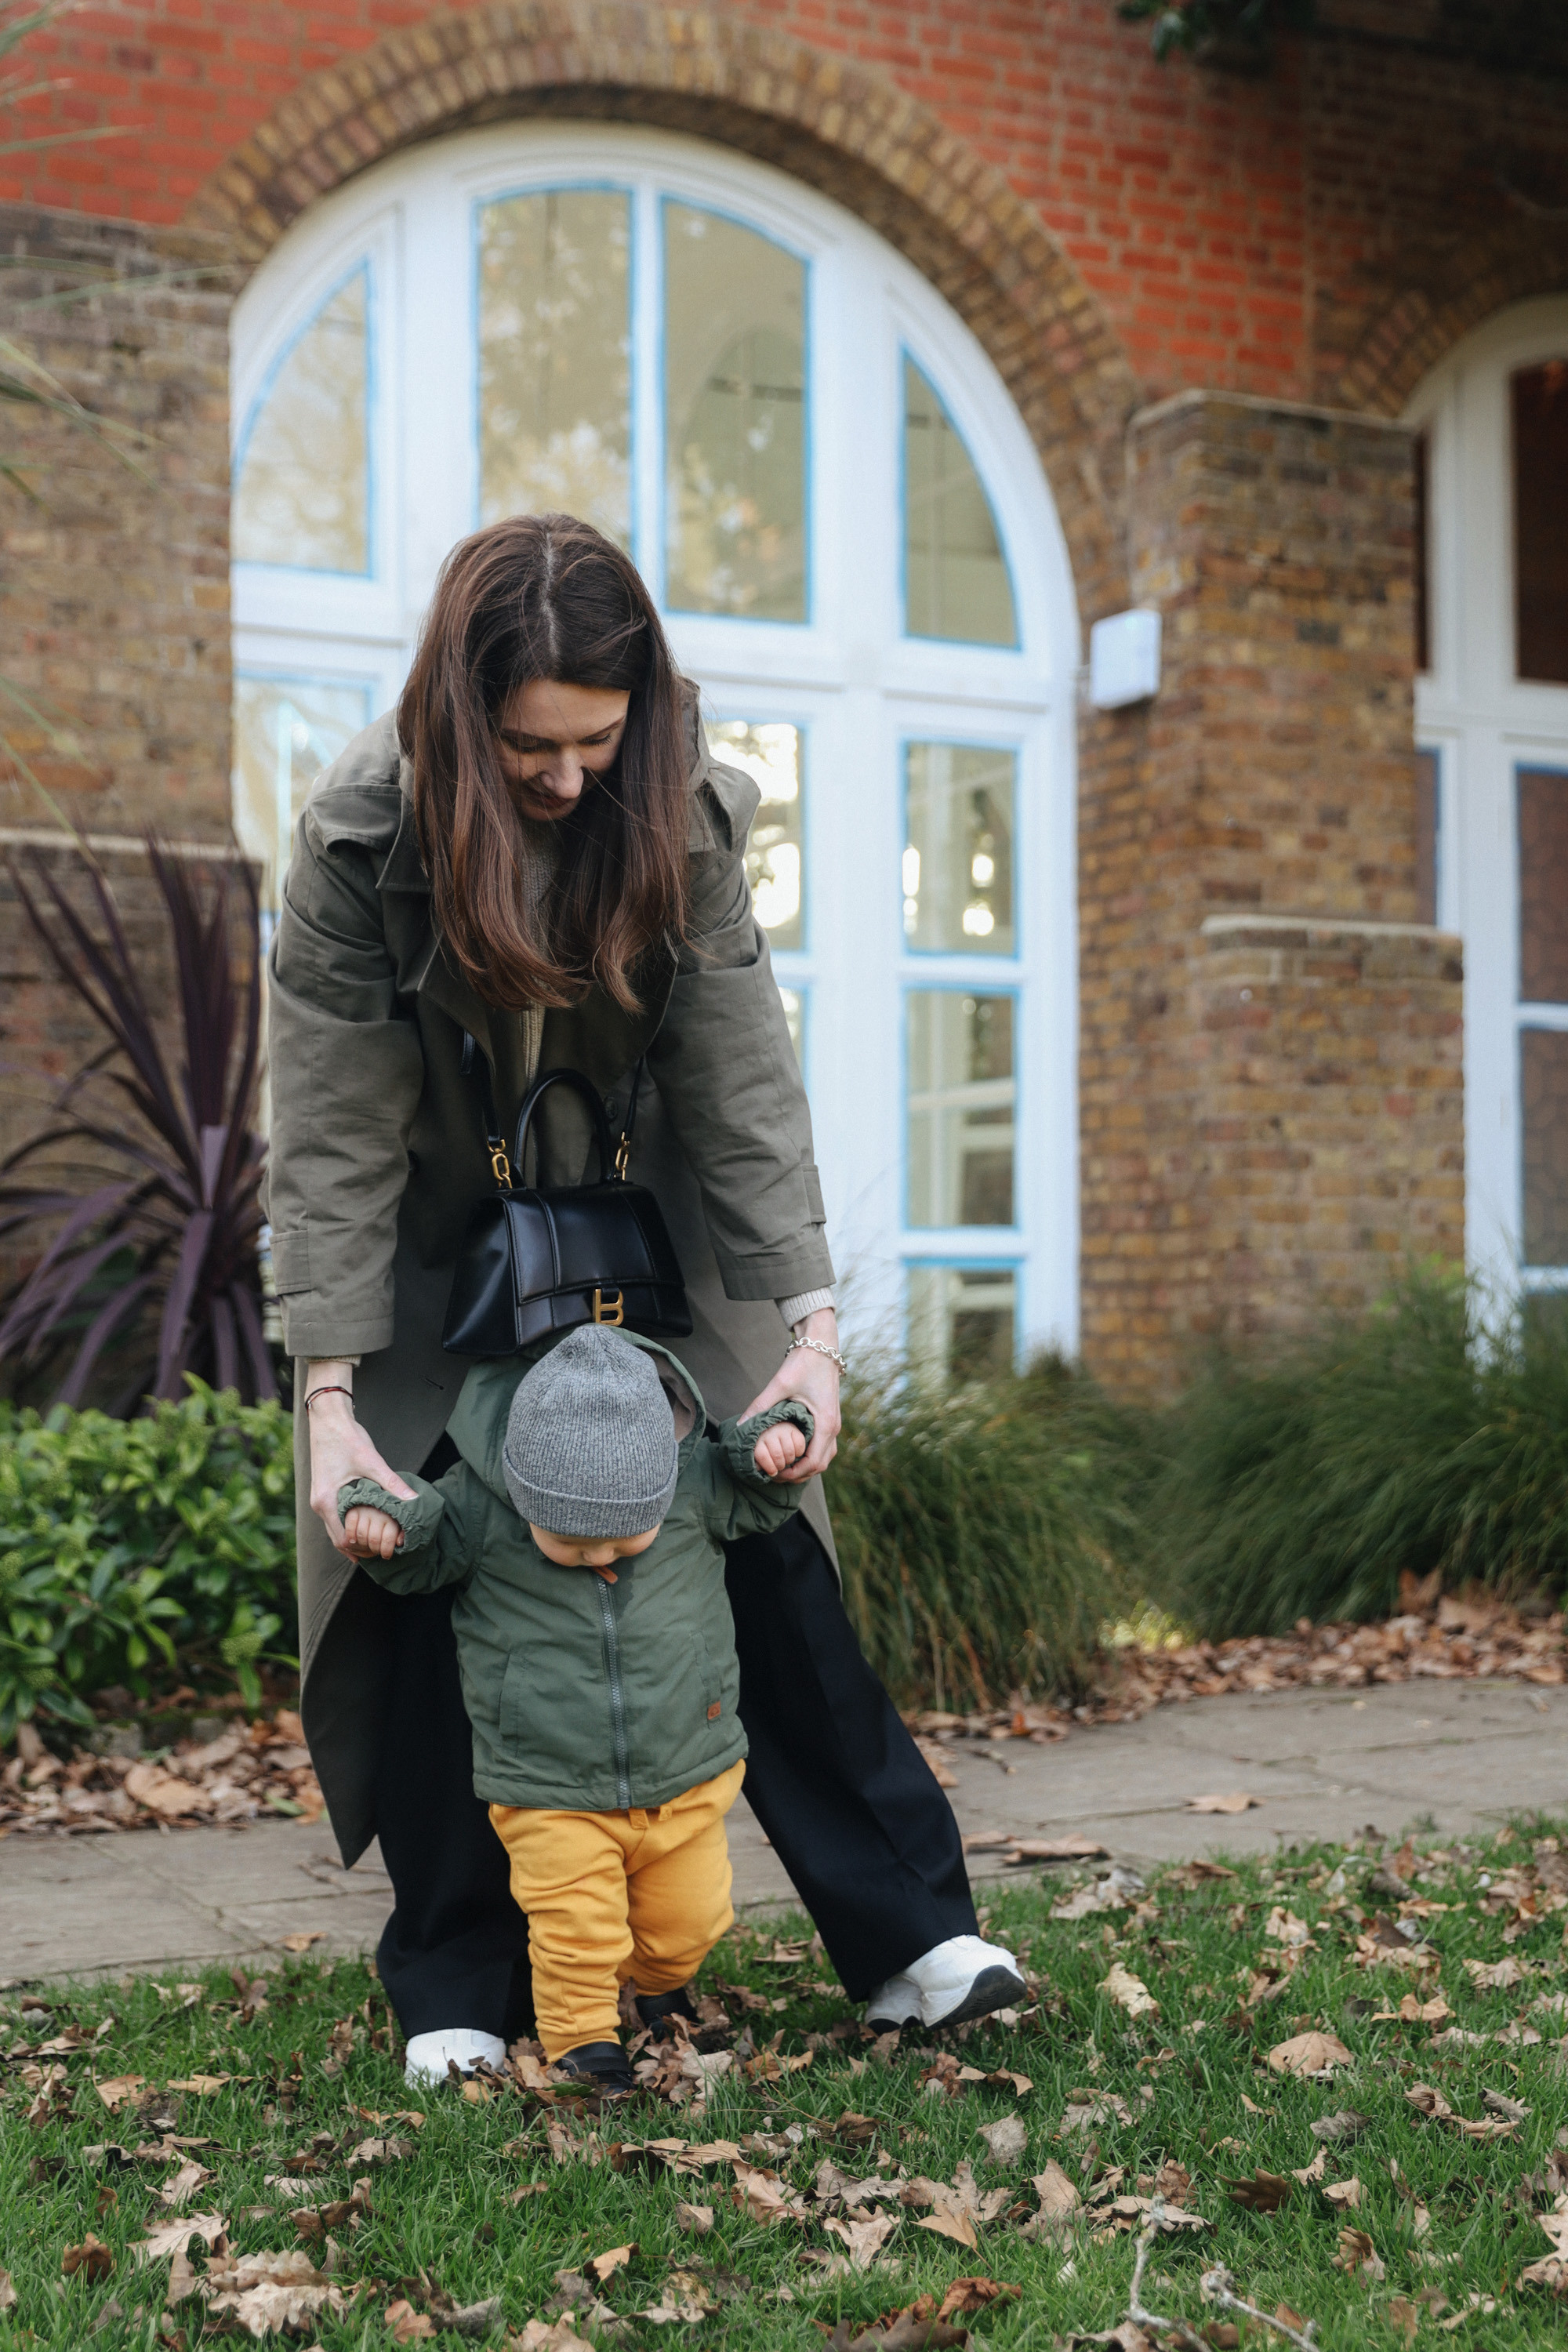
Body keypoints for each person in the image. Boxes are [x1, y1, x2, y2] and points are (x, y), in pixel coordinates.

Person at [266, 510, 1023, 2088]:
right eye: (529, 745)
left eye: (592, 741)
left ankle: (908, 1944)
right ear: (458, 719)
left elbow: (745, 1084)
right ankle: (463, 1988)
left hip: (652, 1228)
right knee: (418, 1563)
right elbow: (330, 1129)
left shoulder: (676, 815)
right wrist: (333, 1403)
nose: (561, 777)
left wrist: (809, 1338)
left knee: (766, 1558)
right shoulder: (355, 844)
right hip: (436, 1248)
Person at [337, 1323, 812, 2093]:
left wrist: (777, 1445)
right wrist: (381, 1519)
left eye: (624, 1541)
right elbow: (418, 1534)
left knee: (690, 1922)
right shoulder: (482, 1510)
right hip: (545, 1785)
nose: (598, 1555)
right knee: (575, 1929)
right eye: (570, 1542)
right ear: (520, 1492)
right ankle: (582, 2043)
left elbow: (761, 1492)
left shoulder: (692, 1489)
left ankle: (656, 1979)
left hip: (686, 1770)